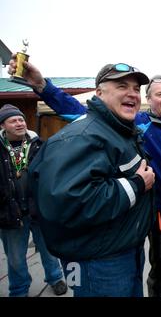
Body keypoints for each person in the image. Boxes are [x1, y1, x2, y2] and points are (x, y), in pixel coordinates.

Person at [7, 56, 161, 297]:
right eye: (159, 94)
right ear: (149, 100)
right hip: (160, 212)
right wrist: (43, 87)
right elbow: (79, 113)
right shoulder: (137, 123)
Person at [27, 63, 156, 297]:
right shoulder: (82, 135)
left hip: (125, 251)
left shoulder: (121, 129)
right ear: (99, 93)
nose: (132, 93)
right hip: (99, 263)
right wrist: (137, 184)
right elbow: (69, 203)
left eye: (136, 89)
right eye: (121, 86)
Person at [0, 104, 67, 297]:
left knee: (48, 249)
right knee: (15, 257)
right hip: (10, 210)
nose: (19, 123)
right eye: (13, 120)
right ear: (3, 125)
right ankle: (19, 289)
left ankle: (55, 278)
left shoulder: (39, 144)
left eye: (21, 119)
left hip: (39, 209)